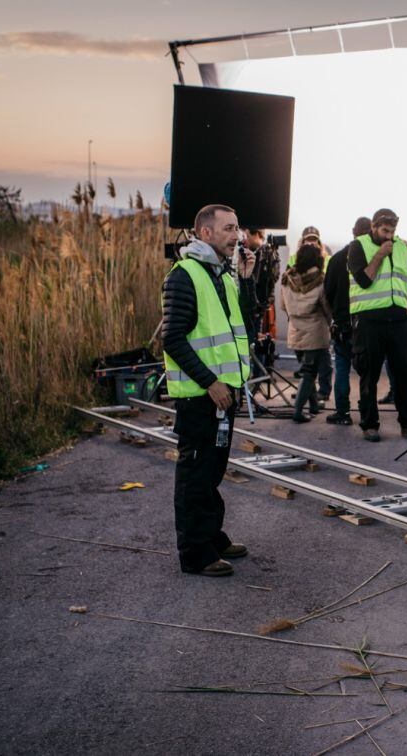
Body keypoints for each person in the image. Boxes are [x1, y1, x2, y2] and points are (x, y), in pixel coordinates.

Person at [161, 204, 256, 577]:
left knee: (213, 471)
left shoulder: (221, 274)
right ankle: (195, 554)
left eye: (237, 228)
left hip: (222, 393)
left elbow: (240, 325)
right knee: (195, 476)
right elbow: (172, 338)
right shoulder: (185, 275)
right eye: (229, 229)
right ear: (205, 233)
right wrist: (210, 382)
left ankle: (212, 537)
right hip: (201, 395)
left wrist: (246, 280)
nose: (237, 235)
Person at [347, 208, 407, 442]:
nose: (389, 236)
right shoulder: (358, 246)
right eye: (384, 231)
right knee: (369, 375)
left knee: (403, 374)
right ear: (373, 227)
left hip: (399, 321)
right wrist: (380, 255)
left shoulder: (402, 248)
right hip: (369, 321)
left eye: (392, 231)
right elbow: (363, 281)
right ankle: (370, 424)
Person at [323, 216, 372, 425]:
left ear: (353, 231)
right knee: (367, 372)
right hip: (367, 324)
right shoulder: (372, 258)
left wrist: (333, 318)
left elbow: (326, 294)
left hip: (342, 324)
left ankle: (342, 412)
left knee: (342, 368)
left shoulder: (336, 259)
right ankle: (367, 412)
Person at [281, 243, 331, 423]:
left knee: (307, 369)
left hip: (295, 329)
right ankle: (298, 411)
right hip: (315, 331)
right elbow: (326, 308)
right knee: (309, 372)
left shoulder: (287, 278)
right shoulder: (320, 279)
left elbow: (281, 306)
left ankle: (314, 406)